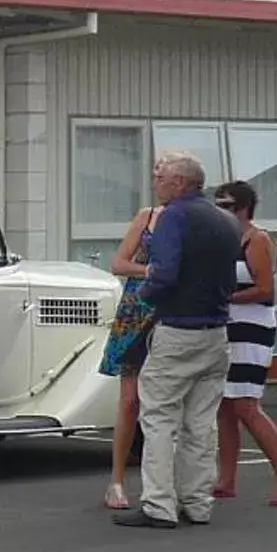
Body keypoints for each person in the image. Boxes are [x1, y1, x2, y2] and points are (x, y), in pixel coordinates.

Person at [113, 149, 242, 531]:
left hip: (177, 328)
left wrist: (148, 296)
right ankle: (197, 502)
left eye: (161, 177)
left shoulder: (174, 217)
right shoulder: (226, 221)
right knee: (201, 422)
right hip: (216, 332)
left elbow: (164, 274)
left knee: (159, 418)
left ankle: (158, 504)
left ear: (181, 182)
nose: (156, 182)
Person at [213, 179, 277, 507]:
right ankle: (226, 479)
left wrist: (225, 297)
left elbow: (266, 289)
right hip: (227, 326)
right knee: (225, 406)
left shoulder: (257, 239)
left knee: (246, 405)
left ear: (243, 208)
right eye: (217, 204)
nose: (220, 211)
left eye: (226, 205)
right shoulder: (223, 239)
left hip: (252, 328)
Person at [97, 202, 160, 510]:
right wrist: (148, 269)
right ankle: (117, 481)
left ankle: (160, 481)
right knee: (129, 400)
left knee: (162, 401)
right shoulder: (147, 216)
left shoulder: (189, 220)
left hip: (169, 309)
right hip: (137, 309)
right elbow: (119, 263)